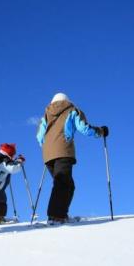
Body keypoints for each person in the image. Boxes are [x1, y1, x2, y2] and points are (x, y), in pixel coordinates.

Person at [37, 92, 108, 225]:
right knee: (63, 183)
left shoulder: (46, 115)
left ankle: (61, 214)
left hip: (47, 155)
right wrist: (100, 131)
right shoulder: (72, 110)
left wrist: (48, 147)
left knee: (68, 185)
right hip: (63, 151)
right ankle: (56, 216)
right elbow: (84, 128)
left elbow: (39, 137)